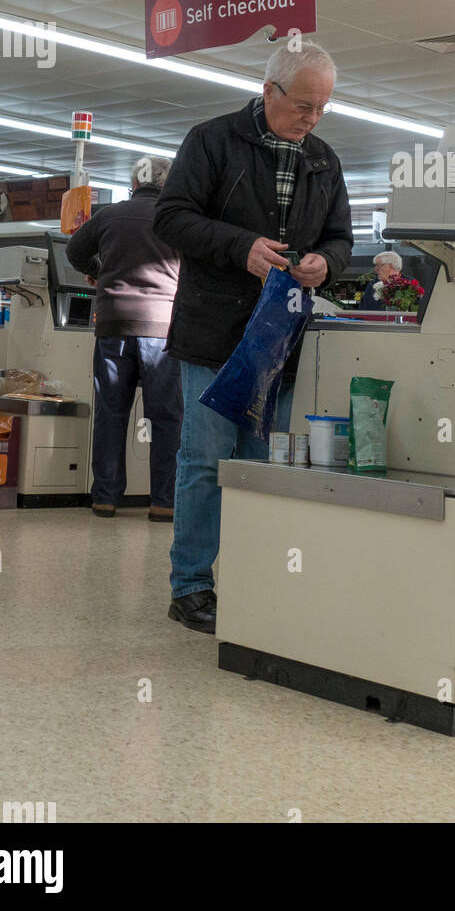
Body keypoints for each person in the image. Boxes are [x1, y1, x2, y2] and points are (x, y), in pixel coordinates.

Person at [153, 42, 353, 635]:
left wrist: (327, 262)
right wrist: (241, 247)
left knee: (262, 462)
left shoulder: (324, 160)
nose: (312, 118)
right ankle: (190, 587)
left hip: (282, 339)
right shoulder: (211, 141)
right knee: (205, 462)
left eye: (323, 108)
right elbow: (172, 217)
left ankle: (253, 574)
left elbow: (342, 237)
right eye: (304, 105)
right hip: (214, 334)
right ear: (269, 92)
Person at [66, 157, 182, 522]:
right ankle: (163, 502)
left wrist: (100, 273)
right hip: (162, 330)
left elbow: (74, 252)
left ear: (134, 183)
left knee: (111, 413)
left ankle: (105, 498)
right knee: (165, 418)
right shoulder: (178, 219)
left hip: (113, 325)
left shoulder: (110, 215)